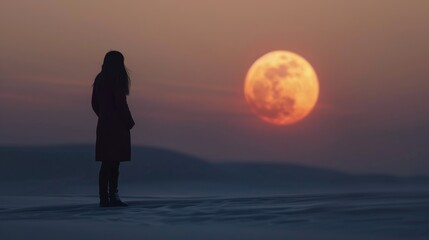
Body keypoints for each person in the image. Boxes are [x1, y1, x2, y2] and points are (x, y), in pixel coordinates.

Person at [91, 51, 135, 207]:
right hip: (117, 128)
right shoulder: (116, 81)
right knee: (113, 164)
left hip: (104, 126)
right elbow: (121, 104)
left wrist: (104, 116)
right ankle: (112, 197)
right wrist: (129, 122)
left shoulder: (99, 80)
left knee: (106, 163)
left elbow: (94, 104)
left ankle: (104, 198)